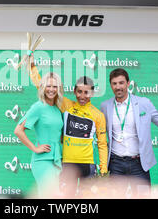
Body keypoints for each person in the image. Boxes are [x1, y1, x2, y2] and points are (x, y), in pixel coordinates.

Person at [28, 57, 108, 196]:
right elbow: (40, 85)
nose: (82, 96)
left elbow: (102, 144)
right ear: (74, 91)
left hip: (87, 165)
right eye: (79, 92)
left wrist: (104, 170)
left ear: (92, 93)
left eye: (86, 92)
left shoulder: (98, 115)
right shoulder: (66, 105)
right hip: (67, 164)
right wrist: (32, 66)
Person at [100, 68, 158, 186]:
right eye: (114, 83)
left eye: (121, 83)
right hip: (115, 164)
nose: (118, 87)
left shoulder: (144, 103)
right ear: (111, 85)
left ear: (128, 83)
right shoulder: (105, 106)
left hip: (139, 164)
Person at [14, 72, 64, 197]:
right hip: (43, 161)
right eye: (48, 86)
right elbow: (18, 130)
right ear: (43, 87)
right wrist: (35, 148)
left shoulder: (57, 109)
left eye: (55, 86)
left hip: (57, 161)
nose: (51, 89)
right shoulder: (38, 107)